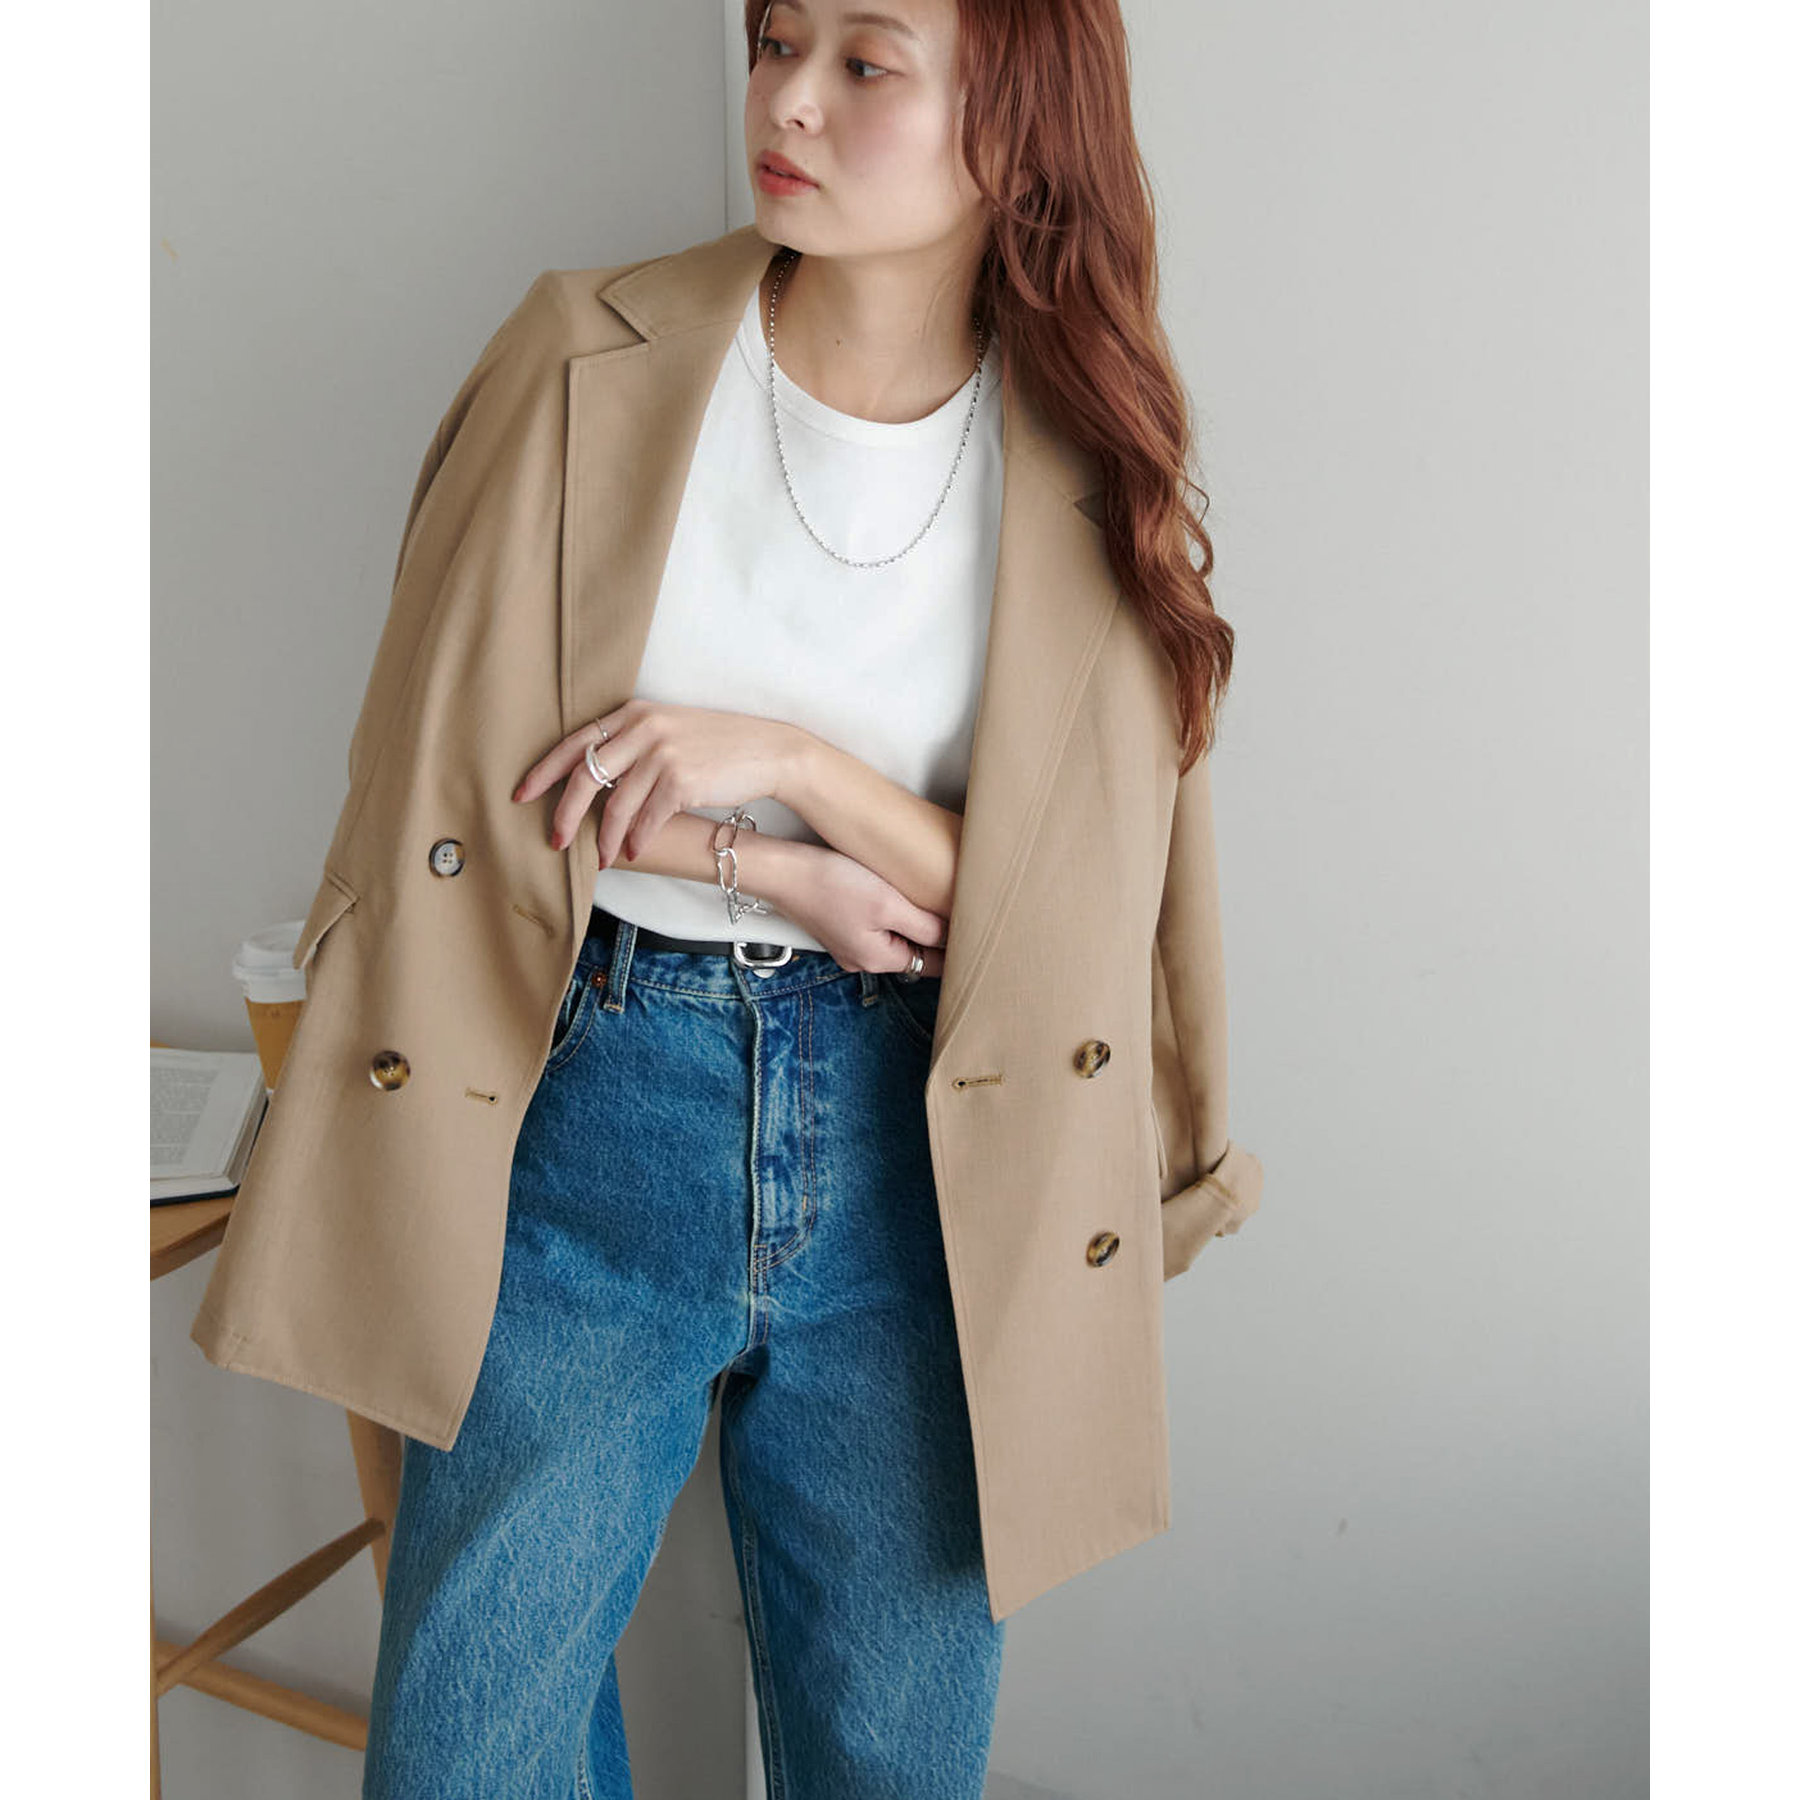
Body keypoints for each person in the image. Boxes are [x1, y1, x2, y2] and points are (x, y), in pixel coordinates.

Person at [193, 2, 1265, 1794]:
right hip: (595, 1093)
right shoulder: (583, 356)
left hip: (938, 1147)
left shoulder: (1089, 449)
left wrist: (800, 769)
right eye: (776, 41)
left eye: (865, 63)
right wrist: (773, 868)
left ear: (1016, 122)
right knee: (469, 1749)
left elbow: (1071, 918)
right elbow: (450, 793)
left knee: (889, 1755)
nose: (786, 100)